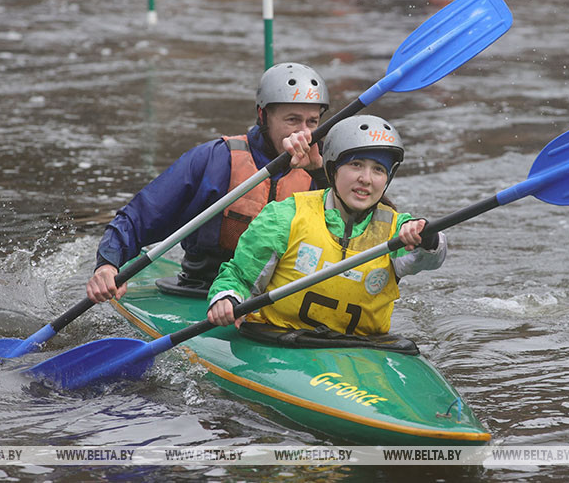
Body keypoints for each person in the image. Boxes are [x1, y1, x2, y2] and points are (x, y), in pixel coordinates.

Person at [86, 63, 331, 303]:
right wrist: (108, 264)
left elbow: (352, 236)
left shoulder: (324, 168)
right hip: (203, 287)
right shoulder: (215, 160)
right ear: (262, 115)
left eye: (312, 122)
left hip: (280, 297)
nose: (303, 133)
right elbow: (140, 215)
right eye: (292, 120)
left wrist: (319, 174)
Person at [206, 115, 447, 336]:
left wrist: (427, 237)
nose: (366, 178)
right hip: (279, 341)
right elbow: (240, 277)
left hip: (362, 349)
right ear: (333, 168)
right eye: (356, 165)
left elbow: (430, 258)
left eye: (378, 170)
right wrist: (227, 298)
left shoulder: (396, 229)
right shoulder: (285, 217)